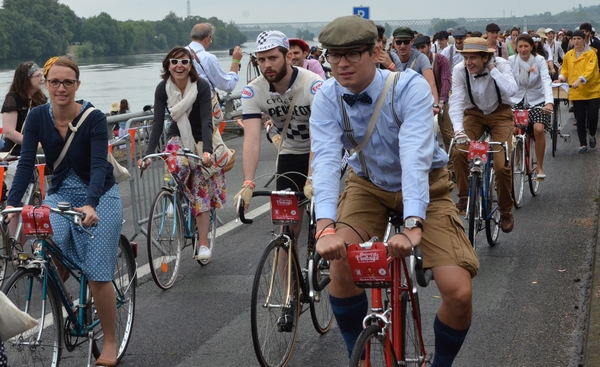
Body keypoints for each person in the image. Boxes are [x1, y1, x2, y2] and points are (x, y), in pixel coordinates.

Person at [310, 15, 479, 366]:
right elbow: (326, 159)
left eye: (352, 54)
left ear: (376, 51)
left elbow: (414, 155)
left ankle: (441, 363)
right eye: (333, 55)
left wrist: (414, 222)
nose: (342, 64)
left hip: (426, 187)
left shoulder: (409, 87)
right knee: (339, 266)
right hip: (367, 186)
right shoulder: (326, 96)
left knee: (458, 292)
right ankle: (357, 355)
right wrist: (324, 226)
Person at [6, 56, 122, 367]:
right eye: (54, 81)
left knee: (98, 274)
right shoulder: (36, 118)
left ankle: (109, 340)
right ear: (45, 83)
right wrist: (11, 205)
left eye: (67, 82)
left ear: (77, 85)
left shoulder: (94, 119)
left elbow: (99, 167)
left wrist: (92, 203)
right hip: (59, 195)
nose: (61, 87)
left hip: (100, 195)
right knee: (42, 233)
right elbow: (27, 163)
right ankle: (64, 275)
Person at [234, 30, 324, 243]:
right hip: (290, 150)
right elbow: (252, 140)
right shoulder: (253, 91)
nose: (267, 65)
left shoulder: (313, 85)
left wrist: (311, 177)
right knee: (286, 227)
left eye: (273, 58)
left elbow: (319, 137)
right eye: (261, 59)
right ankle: (287, 276)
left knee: (323, 218)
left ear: (289, 57)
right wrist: (248, 182)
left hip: (322, 149)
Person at [139, 47, 224, 261]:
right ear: (168, 65)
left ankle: (203, 244)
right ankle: (174, 196)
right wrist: (148, 155)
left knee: (200, 190)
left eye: (184, 62)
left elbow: (207, 120)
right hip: (178, 134)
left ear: (190, 66)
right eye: (175, 61)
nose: (179, 65)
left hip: (201, 137)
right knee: (176, 160)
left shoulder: (201, 87)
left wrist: (206, 151)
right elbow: (158, 122)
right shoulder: (163, 88)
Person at [449, 37, 518, 232]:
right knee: (459, 151)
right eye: (466, 58)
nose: (468, 62)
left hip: (501, 115)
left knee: (501, 164)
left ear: (485, 57)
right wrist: (458, 130)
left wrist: (493, 70)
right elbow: (456, 102)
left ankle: (505, 211)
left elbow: (512, 90)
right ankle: (464, 197)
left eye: (473, 58)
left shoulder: (502, 65)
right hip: (474, 115)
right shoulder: (460, 70)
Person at [508, 34, 554, 178]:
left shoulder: (539, 60)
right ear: (516, 47)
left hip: (537, 99)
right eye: (520, 46)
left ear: (531, 46)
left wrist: (549, 102)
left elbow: (546, 81)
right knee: (514, 130)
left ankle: (539, 167)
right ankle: (518, 155)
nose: (523, 49)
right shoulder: (510, 61)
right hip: (517, 99)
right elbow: (506, 82)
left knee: (538, 129)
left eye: (526, 46)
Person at [187, 23, 243, 125]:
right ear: (208, 37)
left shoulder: (178, 55)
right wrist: (235, 61)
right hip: (204, 110)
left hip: (184, 110)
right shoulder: (208, 58)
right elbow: (228, 85)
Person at [557, 30, 600, 153]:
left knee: (592, 117)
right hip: (577, 92)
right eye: (574, 39)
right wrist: (561, 78)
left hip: (592, 90)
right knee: (580, 118)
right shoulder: (569, 55)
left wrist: (580, 79)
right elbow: (565, 69)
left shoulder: (591, 53)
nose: (576, 41)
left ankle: (592, 135)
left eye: (578, 39)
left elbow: (590, 70)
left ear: (584, 40)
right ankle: (583, 144)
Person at [414, 35, 453, 154]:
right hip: (421, 101)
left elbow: (445, 81)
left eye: (423, 47)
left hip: (441, 98)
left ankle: (452, 167)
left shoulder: (441, 59)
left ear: (429, 46)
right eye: (418, 48)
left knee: (447, 133)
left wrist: (441, 102)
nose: (421, 51)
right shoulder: (414, 62)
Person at [1, 61, 46, 158]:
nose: (42, 79)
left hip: (39, 149)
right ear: (26, 79)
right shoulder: (13, 99)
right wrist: (33, 142)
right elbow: (9, 132)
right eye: (38, 76)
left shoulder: (41, 99)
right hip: (16, 153)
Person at [392, 27, 440, 116]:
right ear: (394, 42)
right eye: (399, 42)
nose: (402, 46)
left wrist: (435, 104)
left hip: (417, 102)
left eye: (406, 42)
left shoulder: (421, 58)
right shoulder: (390, 57)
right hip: (395, 103)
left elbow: (431, 82)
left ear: (412, 42)